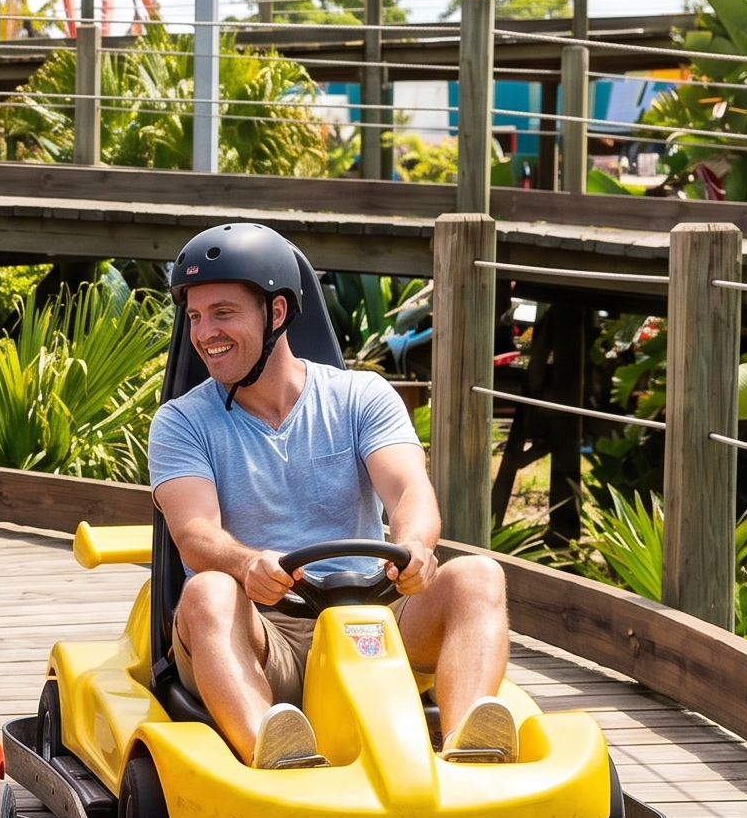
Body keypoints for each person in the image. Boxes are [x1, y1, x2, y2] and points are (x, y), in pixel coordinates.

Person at [152, 222, 516, 771]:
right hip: (266, 631)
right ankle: (274, 754)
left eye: (223, 313)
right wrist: (247, 562)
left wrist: (415, 547)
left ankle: (471, 745)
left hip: (375, 622)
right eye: (196, 317)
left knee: (479, 575)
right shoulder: (181, 421)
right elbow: (193, 533)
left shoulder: (360, 395)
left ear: (276, 314)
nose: (204, 333)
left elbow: (409, 487)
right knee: (206, 592)